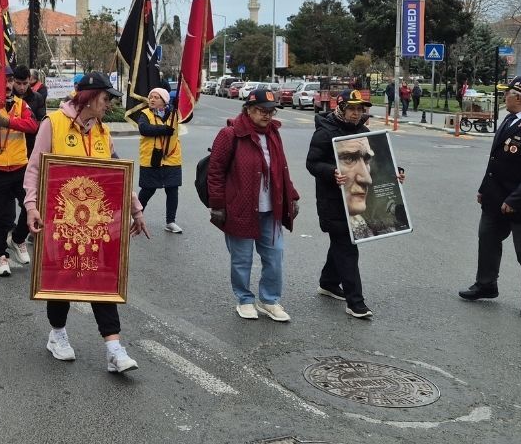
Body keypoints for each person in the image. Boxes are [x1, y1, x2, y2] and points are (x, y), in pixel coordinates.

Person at [23, 72, 150, 374]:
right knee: (61, 281)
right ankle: (57, 334)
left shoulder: (103, 133)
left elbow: (119, 177)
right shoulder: (52, 124)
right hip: (60, 220)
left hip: (96, 224)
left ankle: (114, 349)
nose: (109, 105)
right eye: (107, 99)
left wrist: (136, 210)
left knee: (102, 280)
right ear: (91, 97)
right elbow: (34, 169)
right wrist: (31, 206)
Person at [459, 75, 521, 320]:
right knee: (487, 239)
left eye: (507, 93)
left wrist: (515, 200)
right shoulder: (510, 119)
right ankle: (486, 284)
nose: (504, 97)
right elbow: (495, 161)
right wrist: (485, 188)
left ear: (517, 97)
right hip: (495, 197)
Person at [206, 88, 301, 322]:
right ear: (248, 110)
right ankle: (245, 299)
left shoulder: (273, 134)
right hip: (240, 208)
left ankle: (269, 300)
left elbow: (282, 168)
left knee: (275, 255)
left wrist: (293, 196)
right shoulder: (230, 134)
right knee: (242, 258)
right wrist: (217, 205)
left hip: (271, 209)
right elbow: (215, 172)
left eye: (271, 110)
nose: (267, 115)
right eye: (261, 110)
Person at [306, 90, 376, 318]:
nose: (356, 113)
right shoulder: (324, 133)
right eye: (352, 109)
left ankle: (328, 282)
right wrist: (331, 172)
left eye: (360, 109)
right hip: (332, 200)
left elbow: (377, 160)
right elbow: (312, 163)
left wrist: (397, 173)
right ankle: (355, 301)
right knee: (347, 246)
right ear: (342, 107)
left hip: (355, 198)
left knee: (342, 242)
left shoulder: (364, 132)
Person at [0, 69, 38, 276]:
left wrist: (10, 122)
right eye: (4, 81)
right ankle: (0, 256)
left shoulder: (21, 104)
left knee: (31, 206)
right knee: (0, 216)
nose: (8, 85)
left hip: (20, 167)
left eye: (10, 80)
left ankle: (18, 239)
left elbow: (32, 125)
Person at [135, 87, 183, 234]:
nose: (152, 99)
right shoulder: (145, 114)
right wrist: (164, 129)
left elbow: (189, 115)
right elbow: (144, 129)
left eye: (156, 97)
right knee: (148, 190)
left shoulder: (174, 114)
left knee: (172, 189)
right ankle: (135, 216)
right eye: (151, 97)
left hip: (171, 158)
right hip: (151, 158)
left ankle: (170, 222)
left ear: (164, 101)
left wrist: (183, 101)